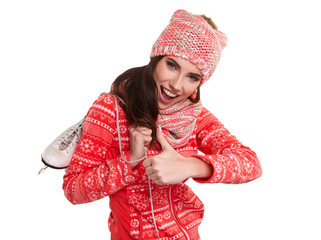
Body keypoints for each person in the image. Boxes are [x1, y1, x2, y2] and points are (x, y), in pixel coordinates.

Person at [63, 9, 262, 240]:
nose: (177, 85)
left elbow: (250, 163)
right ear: (157, 58)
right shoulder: (111, 109)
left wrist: (192, 166)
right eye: (172, 65)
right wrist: (131, 159)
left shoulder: (193, 114)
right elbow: (74, 189)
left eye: (192, 77)